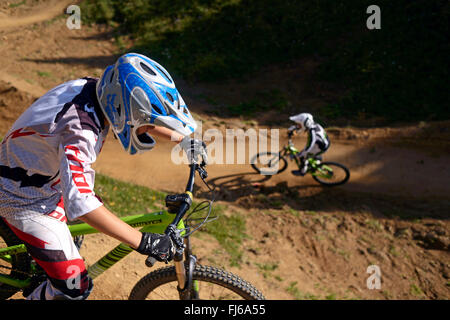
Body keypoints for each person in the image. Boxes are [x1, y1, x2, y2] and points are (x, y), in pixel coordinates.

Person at [0, 53, 207, 300]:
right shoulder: (81, 130)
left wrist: (183, 139)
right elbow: (83, 204)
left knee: (80, 229)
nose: (145, 126)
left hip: (36, 178)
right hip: (23, 200)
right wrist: (142, 241)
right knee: (75, 288)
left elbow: (134, 116)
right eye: (143, 120)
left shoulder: (94, 89)